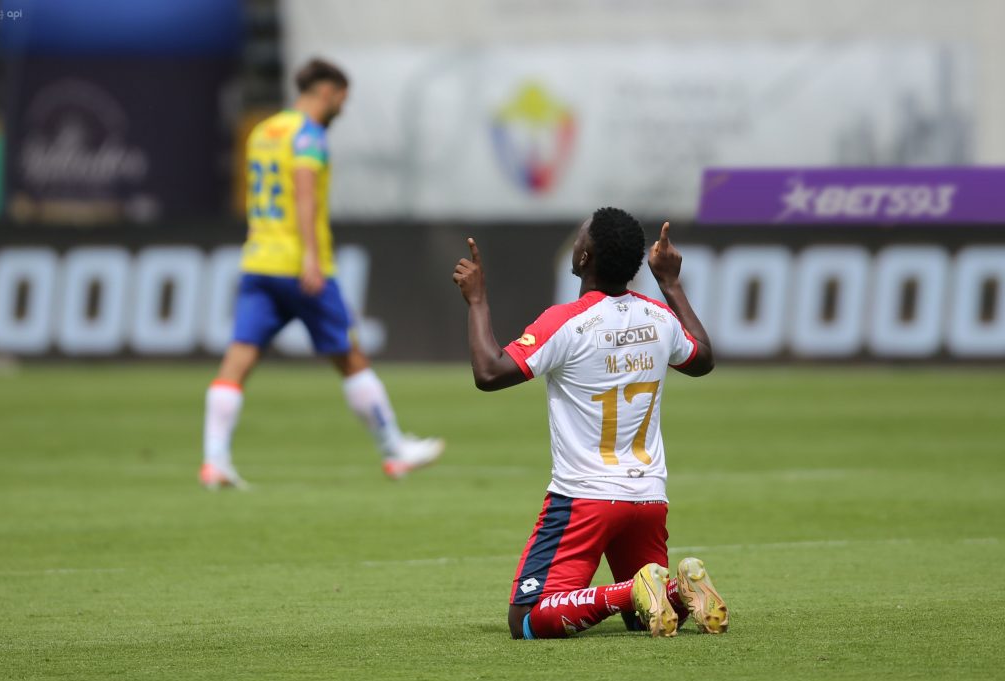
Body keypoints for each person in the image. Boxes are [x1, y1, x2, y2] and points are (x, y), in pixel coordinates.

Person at [452, 207, 728, 638]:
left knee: (528, 618)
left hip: (586, 498)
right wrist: (671, 284)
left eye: (581, 236)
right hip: (649, 497)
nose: (577, 239)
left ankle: (632, 590)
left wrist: (477, 300)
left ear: (584, 258)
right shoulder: (659, 317)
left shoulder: (567, 321)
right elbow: (703, 359)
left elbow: (489, 373)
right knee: (645, 617)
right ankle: (677, 589)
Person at [200, 58, 443, 489]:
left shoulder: (263, 131)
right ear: (326, 91)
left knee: (236, 362)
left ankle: (214, 460)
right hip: (299, 264)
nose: (342, 111)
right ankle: (394, 451)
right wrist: (312, 258)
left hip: (258, 260)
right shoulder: (308, 136)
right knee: (351, 357)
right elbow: (304, 196)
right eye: (341, 101)